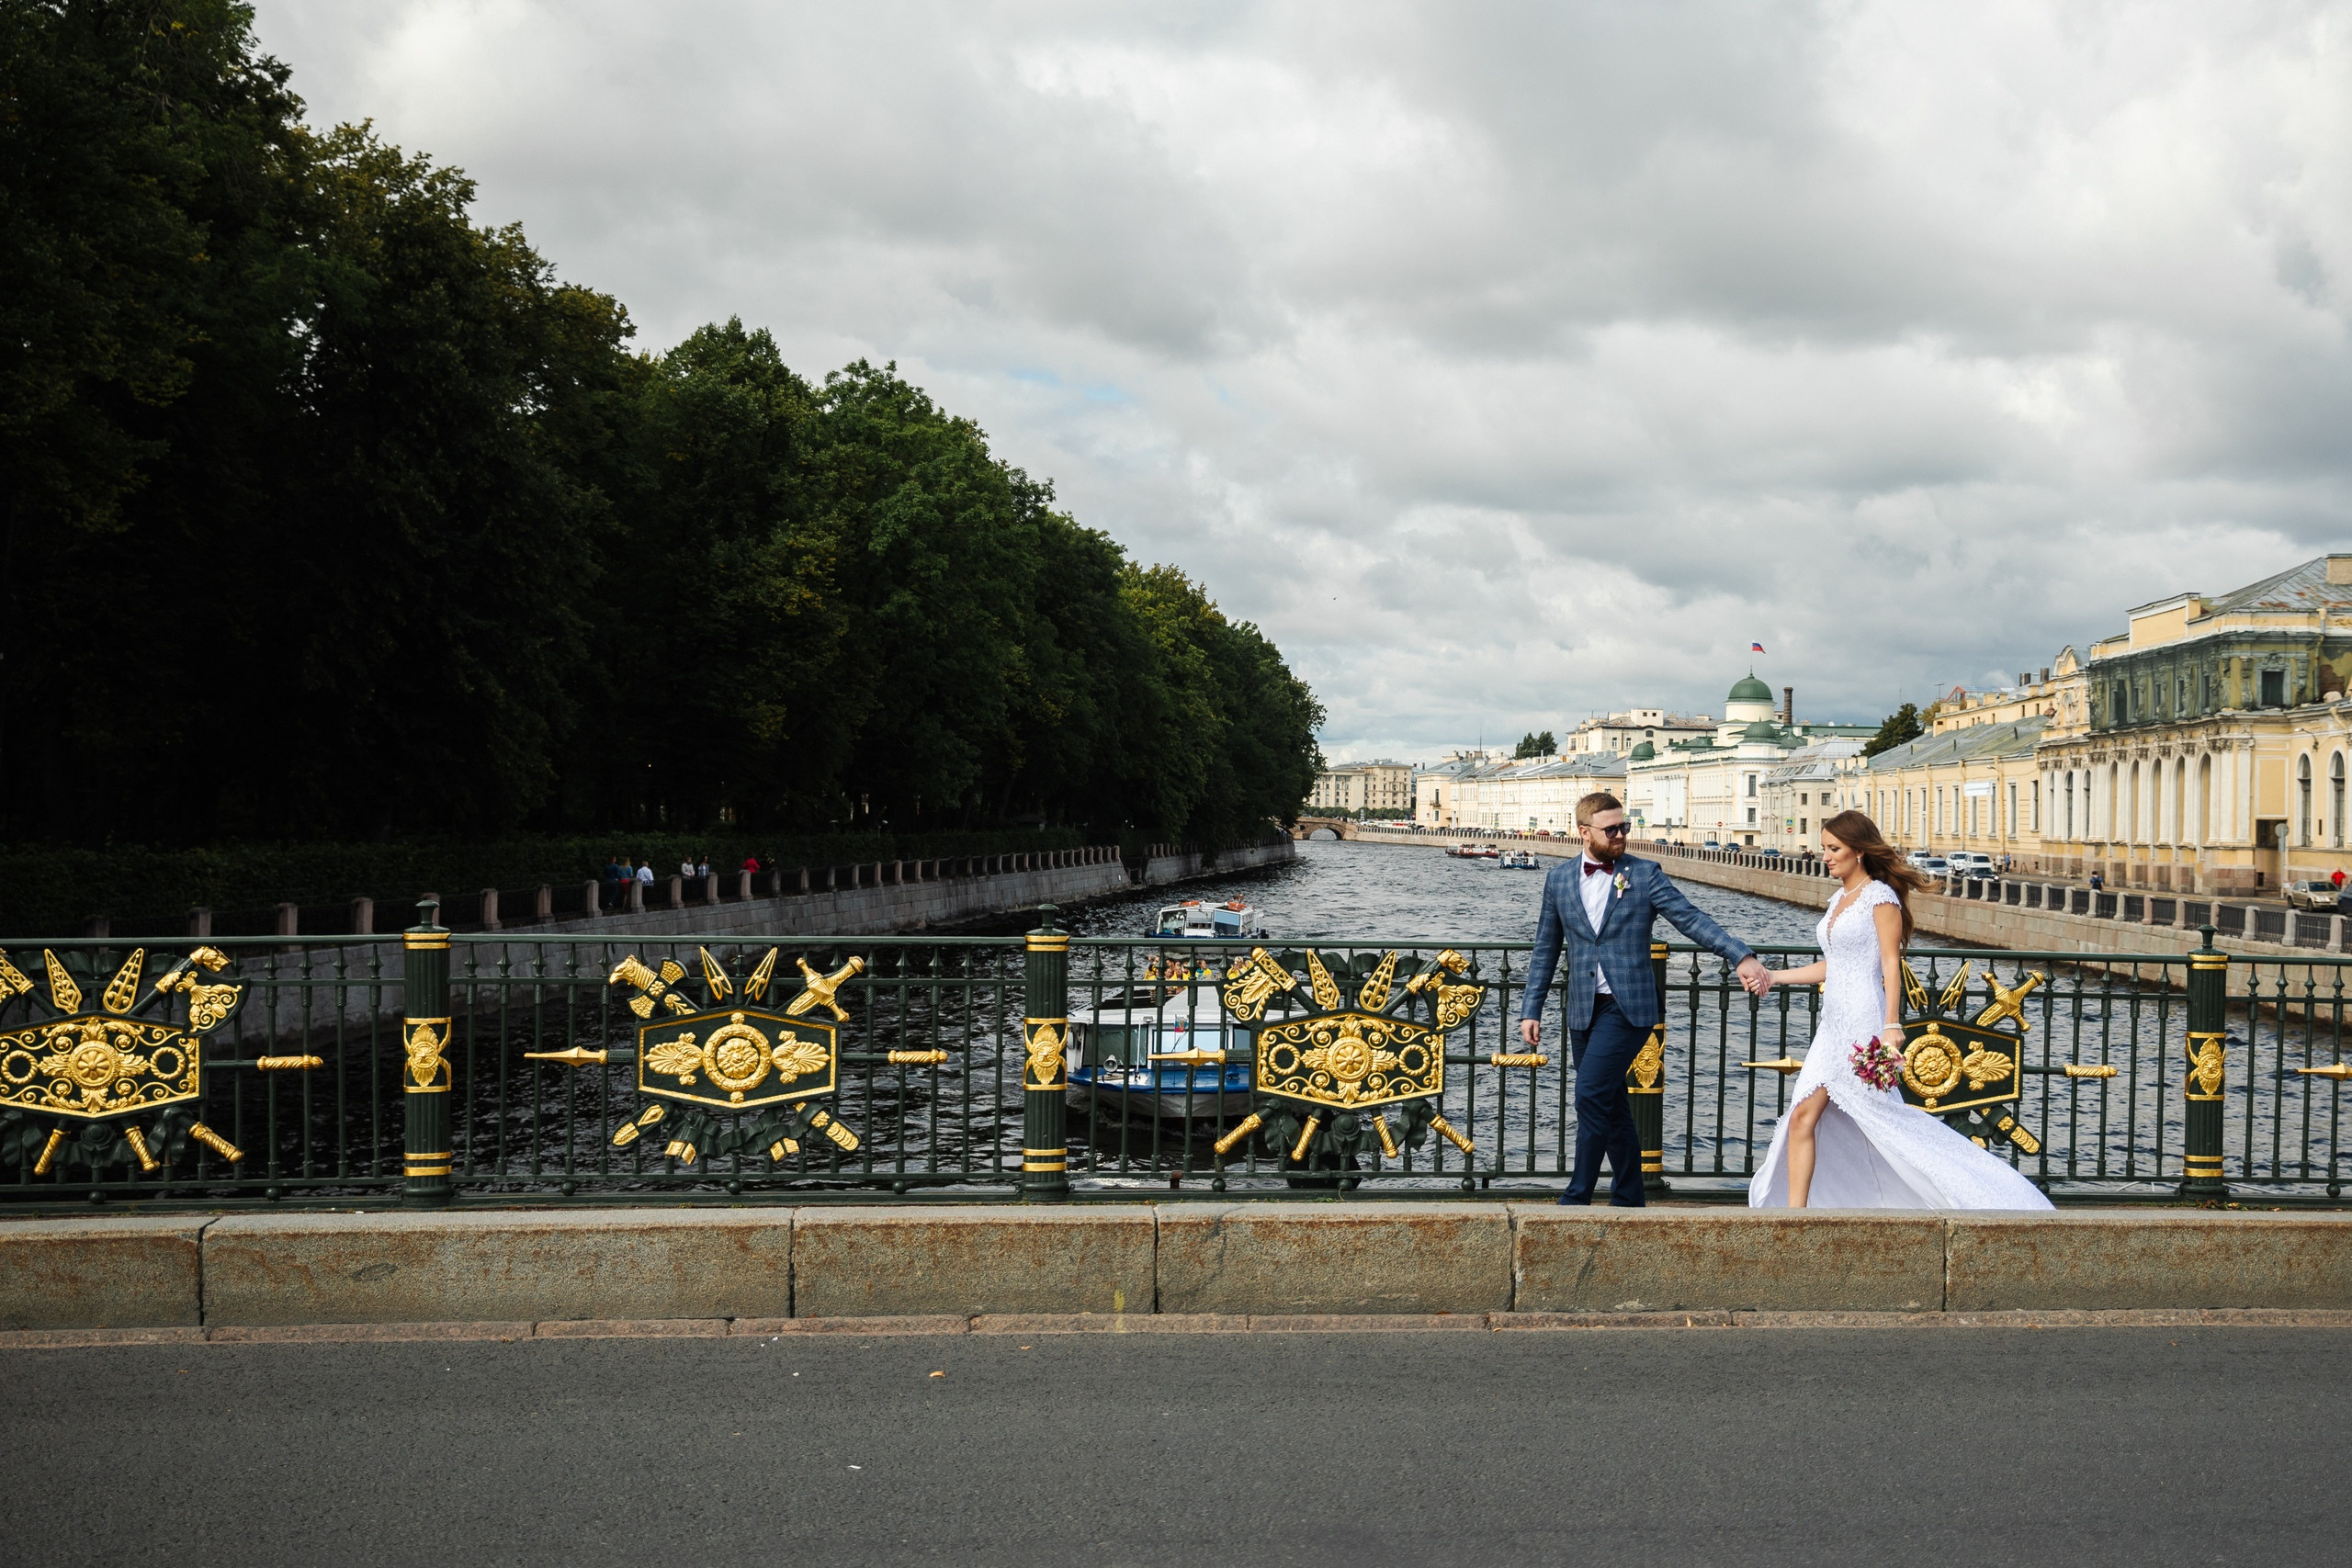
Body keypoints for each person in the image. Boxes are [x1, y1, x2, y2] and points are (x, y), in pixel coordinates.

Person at [1748, 810, 2052, 1210]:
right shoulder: (1839, 898)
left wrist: (1892, 1026)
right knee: (1803, 1116)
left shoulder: (1880, 897)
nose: (1825, 856)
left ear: (1858, 851)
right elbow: (1835, 964)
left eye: (1834, 848)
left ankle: (1981, 1193)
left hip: (1863, 1022)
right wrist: (1775, 976)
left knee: (1883, 1121)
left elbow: (1890, 964)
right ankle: (1794, 1217)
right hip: (1832, 1025)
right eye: (1824, 848)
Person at [1520, 791, 1771, 1207]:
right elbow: (1546, 948)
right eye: (1611, 829)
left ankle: (1576, 1197)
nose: (1621, 835)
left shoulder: (1644, 873)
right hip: (1583, 1009)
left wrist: (1740, 955)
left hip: (1628, 1006)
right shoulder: (1559, 879)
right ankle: (1629, 1196)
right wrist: (1532, 1008)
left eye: (1624, 827)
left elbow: (1690, 918)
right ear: (1584, 832)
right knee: (1611, 1102)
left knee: (1589, 1095)